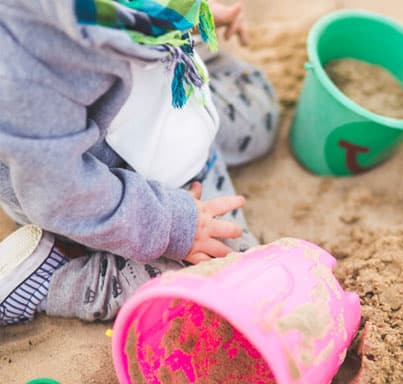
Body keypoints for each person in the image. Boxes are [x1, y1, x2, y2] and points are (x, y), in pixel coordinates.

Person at [0, 0, 279, 325]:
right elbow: (63, 196)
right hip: (112, 193)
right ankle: (52, 276)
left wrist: (185, 16)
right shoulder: (25, 72)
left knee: (260, 115)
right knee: (231, 278)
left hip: (161, 109)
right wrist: (173, 227)